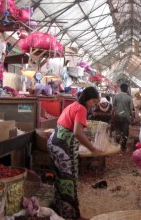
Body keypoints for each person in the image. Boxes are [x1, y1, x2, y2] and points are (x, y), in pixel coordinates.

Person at [47, 86, 102, 220]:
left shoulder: (74, 105)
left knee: (60, 178)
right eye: (94, 102)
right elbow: (77, 133)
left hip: (55, 142)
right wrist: (93, 149)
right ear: (87, 99)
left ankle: (61, 211)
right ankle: (72, 216)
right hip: (63, 145)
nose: (94, 105)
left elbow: (74, 129)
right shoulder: (81, 108)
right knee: (69, 180)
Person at [112, 83, 134, 151]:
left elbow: (113, 108)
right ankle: (123, 147)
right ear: (127, 89)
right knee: (125, 132)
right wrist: (132, 117)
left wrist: (112, 117)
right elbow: (131, 109)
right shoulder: (129, 97)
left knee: (118, 131)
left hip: (117, 116)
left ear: (120, 88)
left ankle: (117, 146)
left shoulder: (115, 96)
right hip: (126, 117)